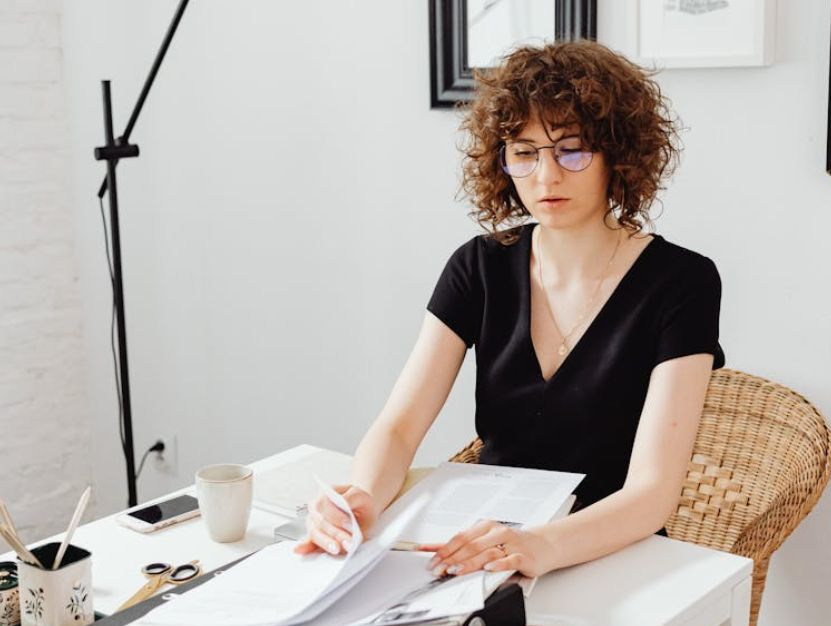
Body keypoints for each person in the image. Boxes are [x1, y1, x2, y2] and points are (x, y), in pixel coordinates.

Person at [295, 39, 723, 581]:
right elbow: (399, 428)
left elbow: (650, 494)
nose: (546, 178)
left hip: (609, 550)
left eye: (572, 149)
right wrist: (361, 496)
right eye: (524, 152)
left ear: (618, 154)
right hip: (485, 540)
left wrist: (538, 547)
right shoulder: (478, 267)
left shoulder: (681, 281)